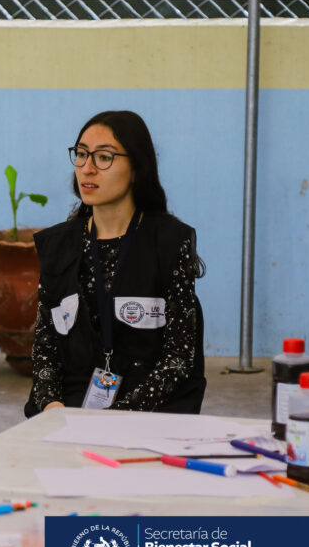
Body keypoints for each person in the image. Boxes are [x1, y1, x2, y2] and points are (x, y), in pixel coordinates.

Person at [24, 110, 206, 417]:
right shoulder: (59, 246)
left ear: (137, 168)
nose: (87, 168)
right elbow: (46, 349)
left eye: (104, 157)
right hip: (72, 407)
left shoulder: (170, 242)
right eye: (81, 155)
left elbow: (178, 359)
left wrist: (116, 416)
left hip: (150, 411)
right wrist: (51, 407)